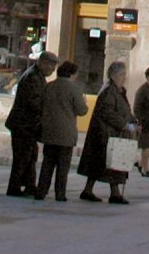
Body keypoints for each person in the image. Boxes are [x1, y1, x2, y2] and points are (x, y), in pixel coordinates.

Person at [78, 61, 138, 204]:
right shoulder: (109, 91)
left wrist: (132, 121)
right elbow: (108, 112)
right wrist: (124, 125)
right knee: (109, 163)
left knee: (104, 164)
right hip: (105, 134)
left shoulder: (119, 91)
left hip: (113, 133)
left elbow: (125, 110)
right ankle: (113, 193)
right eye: (122, 74)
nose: (124, 78)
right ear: (114, 75)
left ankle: (91, 190)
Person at [33, 60, 88, 201]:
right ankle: (60, 193)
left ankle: (41, 191)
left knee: (47, 164)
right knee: (63, 167)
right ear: (71, 74)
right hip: (66, 133)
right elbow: (82, 110)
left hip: (49, 131)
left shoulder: (49, 87)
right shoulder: (73, 89)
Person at [4, 51, 56, 196]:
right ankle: (14, 187)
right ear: (43, 63)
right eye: (51, 67)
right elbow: (33, 102)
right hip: (23, 124)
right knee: (22, 157)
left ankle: (29, 185)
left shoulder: (37, 76)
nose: (51, 71)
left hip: (28, 125)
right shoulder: (33, 77)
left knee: (30, 155)